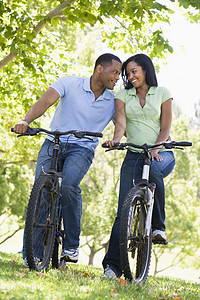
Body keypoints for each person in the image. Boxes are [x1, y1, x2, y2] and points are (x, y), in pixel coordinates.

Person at [13, 53, 122, 263]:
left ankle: (71, 246)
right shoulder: (69, 83)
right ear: (99, 69)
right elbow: (45, 101)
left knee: (69, 186)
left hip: (82, 148)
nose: (117, 78)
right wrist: (25, 121)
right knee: (41, 192)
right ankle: (34, 254)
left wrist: (157, 137)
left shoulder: (113, 101)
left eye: (119, 74)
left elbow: (123, 125)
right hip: (54, 141)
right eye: (115, 72)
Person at [102, 53, 175, 279]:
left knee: (153, 172)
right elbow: (121, 122)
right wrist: (116, 138)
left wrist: (155, 149)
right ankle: (112, 267)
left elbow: (165, 128)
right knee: (122, 212)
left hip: (162, 152)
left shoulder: (163, 93)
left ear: (146, 70)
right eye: (128, 73)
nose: (131, 76)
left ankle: (157, 227)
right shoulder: (123, 95)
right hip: (134, 153)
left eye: (135, 71)